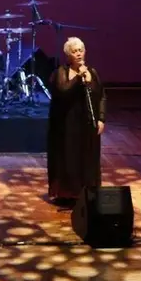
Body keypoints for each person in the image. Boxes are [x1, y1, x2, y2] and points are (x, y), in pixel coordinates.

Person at [46, 37, 106, 206]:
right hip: (67, 124)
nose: (78, 54)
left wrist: (101, 118)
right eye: (74, 51)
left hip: (87, 122)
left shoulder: (92, 72)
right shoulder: (61, 72)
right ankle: (68, 194)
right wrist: (79, 78)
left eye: (81, 50)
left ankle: (88, 191)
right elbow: (63, 91)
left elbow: (101, 96)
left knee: (88, 157)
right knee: (69, 157)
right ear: (68, 55)